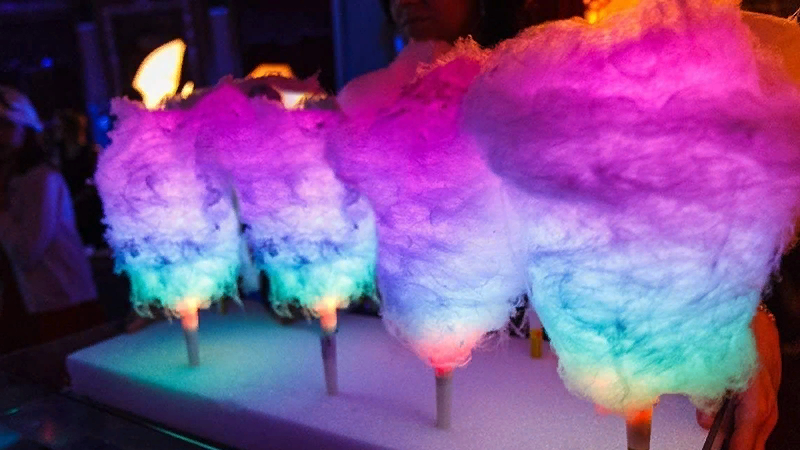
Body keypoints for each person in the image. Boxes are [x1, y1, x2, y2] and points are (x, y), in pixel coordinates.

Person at [336, 2, 783, 448]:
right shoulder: (372, 105)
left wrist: (743, 310)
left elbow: (684, 209)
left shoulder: (559, 83)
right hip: (460, 380)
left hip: (619, 369)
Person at [0, 86, 101, 351]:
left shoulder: (41, 179)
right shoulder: (16, 180)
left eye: (5, 125)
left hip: (62, 301)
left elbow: (27, 251)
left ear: (25, 128)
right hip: (35, 302)